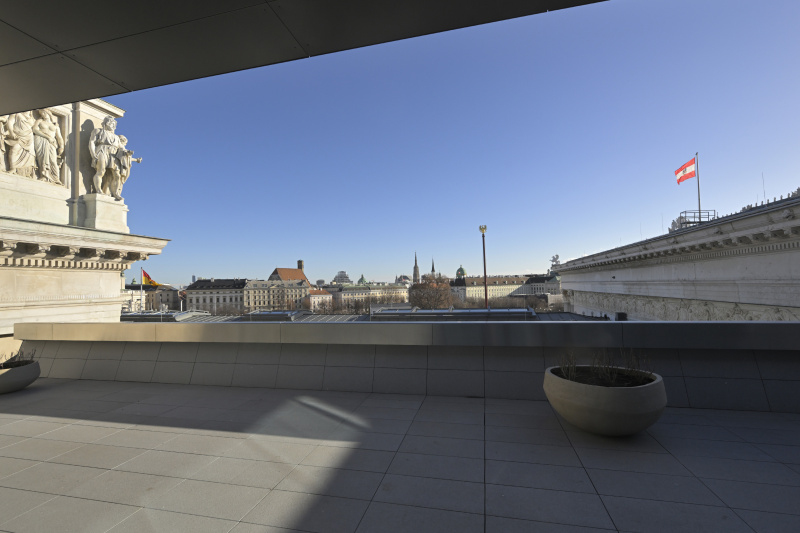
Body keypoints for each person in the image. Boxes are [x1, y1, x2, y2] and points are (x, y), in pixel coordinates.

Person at [88, 116, 123, 199]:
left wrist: (127, 153)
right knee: (101, 171)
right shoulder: (98, 131)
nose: (114, 126)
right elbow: (92, 142)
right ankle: (98, 190)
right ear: (107, 123)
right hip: (102, 150)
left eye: (114, 124)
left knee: (117, 175)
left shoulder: (116, 137)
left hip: (113, 154)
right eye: (112, 123)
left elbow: (121, 147)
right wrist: (93, 153)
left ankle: (115, 192)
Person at [32, 108, 64, 184]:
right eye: (41, 114)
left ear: (48, 113)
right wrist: (47, 137)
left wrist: (61, 146)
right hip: (41, 141)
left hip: (52, 143)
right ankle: (43, 176)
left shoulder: (55, 126)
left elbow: (59, 137)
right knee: (42, 158)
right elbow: (35, 130)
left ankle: (55, 178)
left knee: (53, 160)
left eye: (44, 112)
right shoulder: (39, 121)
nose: (43, 114)